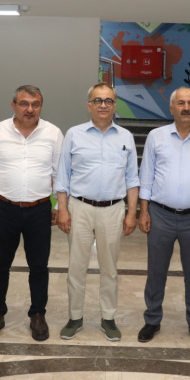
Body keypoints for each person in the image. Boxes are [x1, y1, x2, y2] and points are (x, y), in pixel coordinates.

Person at [0, 85, 64, 341]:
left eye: (35, 104)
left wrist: (59, 206)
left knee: (39, 266)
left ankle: (37, 314)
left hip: (39, 209)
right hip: (4, 208)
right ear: (13, 105)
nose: (30, 109)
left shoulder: (53, 133)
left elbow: (60, 173)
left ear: (41, 106)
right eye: (24, 103)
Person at [137, 87, 190, 347]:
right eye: (181, 103)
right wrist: (143, 211)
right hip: (160, 215)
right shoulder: (156, 136)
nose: (186, 108)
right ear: (171, 108)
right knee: (156, 271)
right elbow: (146, 176)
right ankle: (152, 319)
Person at [55, 83, 139, 341]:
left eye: (108, 100)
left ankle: (108, 318)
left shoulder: (125, 137)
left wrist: (131, 213)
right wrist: (62, 209)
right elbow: (63, 175)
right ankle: (75, 317)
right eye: (98, 100)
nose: (103, 105)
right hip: (79, 208)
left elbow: (132, 178)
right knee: (76, 267)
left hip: (113, 209)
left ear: (115, 106)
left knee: (110, 268)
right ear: (89, 105)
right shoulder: (74, 134)